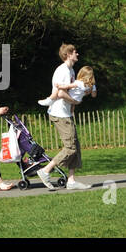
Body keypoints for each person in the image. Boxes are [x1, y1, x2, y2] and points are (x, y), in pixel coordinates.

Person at [37, 44, 90, 190]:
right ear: (68, 54)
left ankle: (71, 181)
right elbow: (60, 93)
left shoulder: (71, 70)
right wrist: (75, 102)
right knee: (70, 148)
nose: (77, 54)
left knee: (76, 147)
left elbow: (71, 91)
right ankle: (46, 170)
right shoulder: (63, 71)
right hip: (59, 113)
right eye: (74, 52)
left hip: (66, 113)